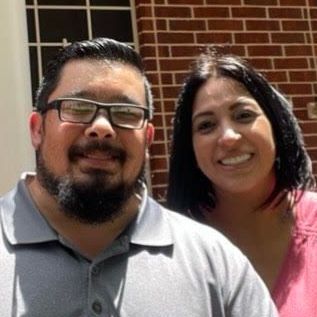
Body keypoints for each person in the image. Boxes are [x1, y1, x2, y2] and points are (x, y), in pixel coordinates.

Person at [0, 38, 277, 317]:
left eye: (125, 113)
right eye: (78, 107)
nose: (102, 127)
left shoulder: (215, 264)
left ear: (147, 140)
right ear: (37, 129)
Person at [167, 48, 317, 317]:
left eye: (243, 115)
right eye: (206, 125)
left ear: (275, 123)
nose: (228, 137)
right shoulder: (172, 251)